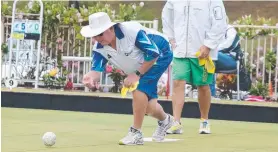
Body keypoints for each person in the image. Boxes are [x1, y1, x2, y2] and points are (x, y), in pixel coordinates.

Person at [81, 12, 174, 145]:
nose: (98, 38)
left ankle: (136, 133)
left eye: (100, 33)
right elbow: (96, 71)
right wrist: (89, 78)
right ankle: (165, 121)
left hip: (161, 54)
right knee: (148, 107)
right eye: (95, 35)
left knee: (138, 89)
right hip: (143, 63)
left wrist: (136, 74)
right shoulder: (100, 47)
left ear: (111, 28)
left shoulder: (131, 32)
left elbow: (153, 53)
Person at [162, 0, 227, 134]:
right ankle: (176, 122)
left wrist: (208, 44)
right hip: (180, 50)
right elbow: (166, 17)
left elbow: (219, 22)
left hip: (202, 51)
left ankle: (204, 120)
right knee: (178, 82)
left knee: (203, 85)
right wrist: (171, 39)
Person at [210, 24, 240, 97]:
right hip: (215, 59)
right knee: (207, 60)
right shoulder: (210, 31)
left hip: (231, 59)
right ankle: (205, 92)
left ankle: (211, 94)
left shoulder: (229, 30)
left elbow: (229, 45)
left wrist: (211, 49)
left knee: (210, 55)